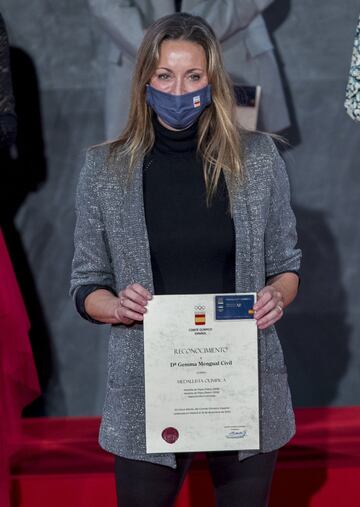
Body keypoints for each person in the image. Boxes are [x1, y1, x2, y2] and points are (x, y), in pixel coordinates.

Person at [70, 12, 301, 507]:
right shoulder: (103, 171)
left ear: (212, 79)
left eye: (193, 76)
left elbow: (287, 265)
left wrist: (275, 296)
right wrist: (114, 307)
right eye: (165, 76)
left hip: (242, 381)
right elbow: (87, 283)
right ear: (145, 80)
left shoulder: (258, 159)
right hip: (146, 389)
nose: (180, 90)